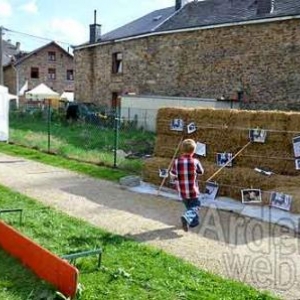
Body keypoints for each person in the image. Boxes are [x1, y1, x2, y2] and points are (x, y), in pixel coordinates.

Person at [170, 139, 204, 232]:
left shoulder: (176, 161)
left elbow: (172, 174)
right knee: (196, 205)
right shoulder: (195, 161)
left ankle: (193, 222)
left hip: (182, 191)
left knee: (189, 207)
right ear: (193, 151)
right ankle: (186, 217)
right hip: (193, 191)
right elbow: (201, 172)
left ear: (182, 149)